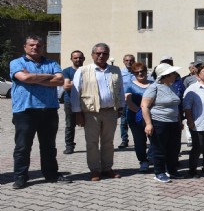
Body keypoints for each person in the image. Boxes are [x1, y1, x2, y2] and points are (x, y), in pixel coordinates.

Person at [10, 35, 70, 189]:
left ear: (43, 47)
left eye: (38, 45)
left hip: (48, 110)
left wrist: (32, 77)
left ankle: (51, 175)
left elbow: (59, 81)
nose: (35, 47)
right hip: (25, 111)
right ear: (25, 47)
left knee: (49, 146)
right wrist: (47, 77)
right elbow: (24, 78)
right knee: (23, 147)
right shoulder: (16, 63)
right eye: (31, 45)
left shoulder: (52, 63)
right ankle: (20, 178)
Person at [71, 43, 125, 181]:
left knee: (108, 142)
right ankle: (95, 170)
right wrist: (77, 113)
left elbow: (120, 89)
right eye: (98, 53)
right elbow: (75, 92)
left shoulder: (115, 70)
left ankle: (107, 168)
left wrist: (121, 107)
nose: (101, 56)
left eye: (105, 53)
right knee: (92, 142)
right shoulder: (83, 70)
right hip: (91, 112)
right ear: (92, 55)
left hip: (110, 112)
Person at [142, 63, 185, 182]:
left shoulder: (171, 86)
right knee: (159, 148)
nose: (175, 75)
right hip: (159, 122)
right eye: (173, 73)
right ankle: (159, 172)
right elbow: (144, 106)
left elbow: (175, 106)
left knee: (173, 148)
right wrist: (148, 124)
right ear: (165, 75)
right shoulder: (154, 87)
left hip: (174, 122)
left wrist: (179, 121)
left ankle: (172, 171)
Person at [124, 62, 153, 173]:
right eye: (137, 72)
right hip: (135, 116)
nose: (140, 73)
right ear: (133, 73)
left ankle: (151, 157)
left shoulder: (153, 84)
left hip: (152, 116)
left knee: (155, 139)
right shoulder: (129, 85)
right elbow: (129, 102)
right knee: (139, 140)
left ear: (146, 71)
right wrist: (141, 112)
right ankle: (143, 161)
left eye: (142, 71)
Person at [62, 50, 85, 154]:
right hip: (69, 102)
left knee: (89, 125)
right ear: (71, 59)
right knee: (70, 125)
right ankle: (69, 146)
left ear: (83, 58)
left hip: (86, 101)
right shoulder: (66, 71)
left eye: (80, 57)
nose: (78, 59)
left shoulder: (87, 70)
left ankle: (91, 146)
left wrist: (73, 83)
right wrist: (84, 84)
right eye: (75, 58)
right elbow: (66, 86)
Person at [118, 54, 136, 148]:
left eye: (131, 60)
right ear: (124, 61)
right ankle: (124, 140)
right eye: (127, 60)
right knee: (123, 121)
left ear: (134, 61)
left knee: (136, 120)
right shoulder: (120, 73)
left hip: (136, 100)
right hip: (124, 101)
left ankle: (138, 139)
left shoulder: (137, 72)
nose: (129, 62)